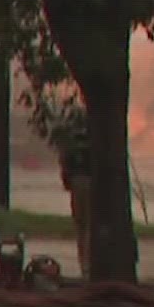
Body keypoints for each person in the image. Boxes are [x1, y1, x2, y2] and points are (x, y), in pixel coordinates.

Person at [50, 102, 94, 278]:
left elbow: (64, 163)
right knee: (89, 224)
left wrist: (67, 182)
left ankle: (84, 264)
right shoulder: (93, 138)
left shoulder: (70, 141)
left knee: (81, 225)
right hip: (90, 182)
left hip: (77, 183)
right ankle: (88, 265)